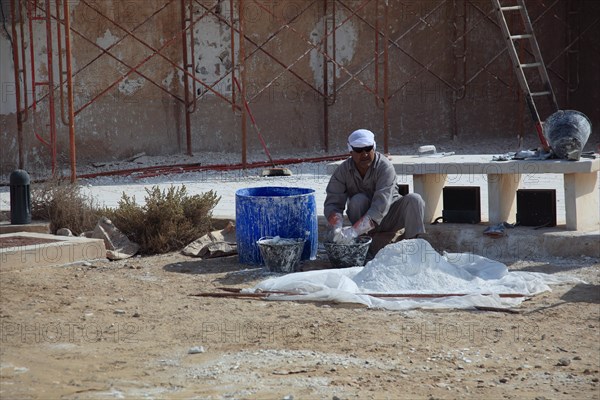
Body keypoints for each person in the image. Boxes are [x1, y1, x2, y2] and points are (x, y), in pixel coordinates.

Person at [324, 129, 426, 255]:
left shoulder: (385, 167)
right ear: (351, 151)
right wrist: (337, 226)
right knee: (357, 200)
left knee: (415, 200)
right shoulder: (342, 171)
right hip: (362, 222)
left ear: (374, 147)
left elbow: (381, 205)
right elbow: (333, 202)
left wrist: (353, 231)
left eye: (368, 148)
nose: (364, 154)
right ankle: (363, 244)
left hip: (390, 216)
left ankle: (413, 248)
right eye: (359, 150)